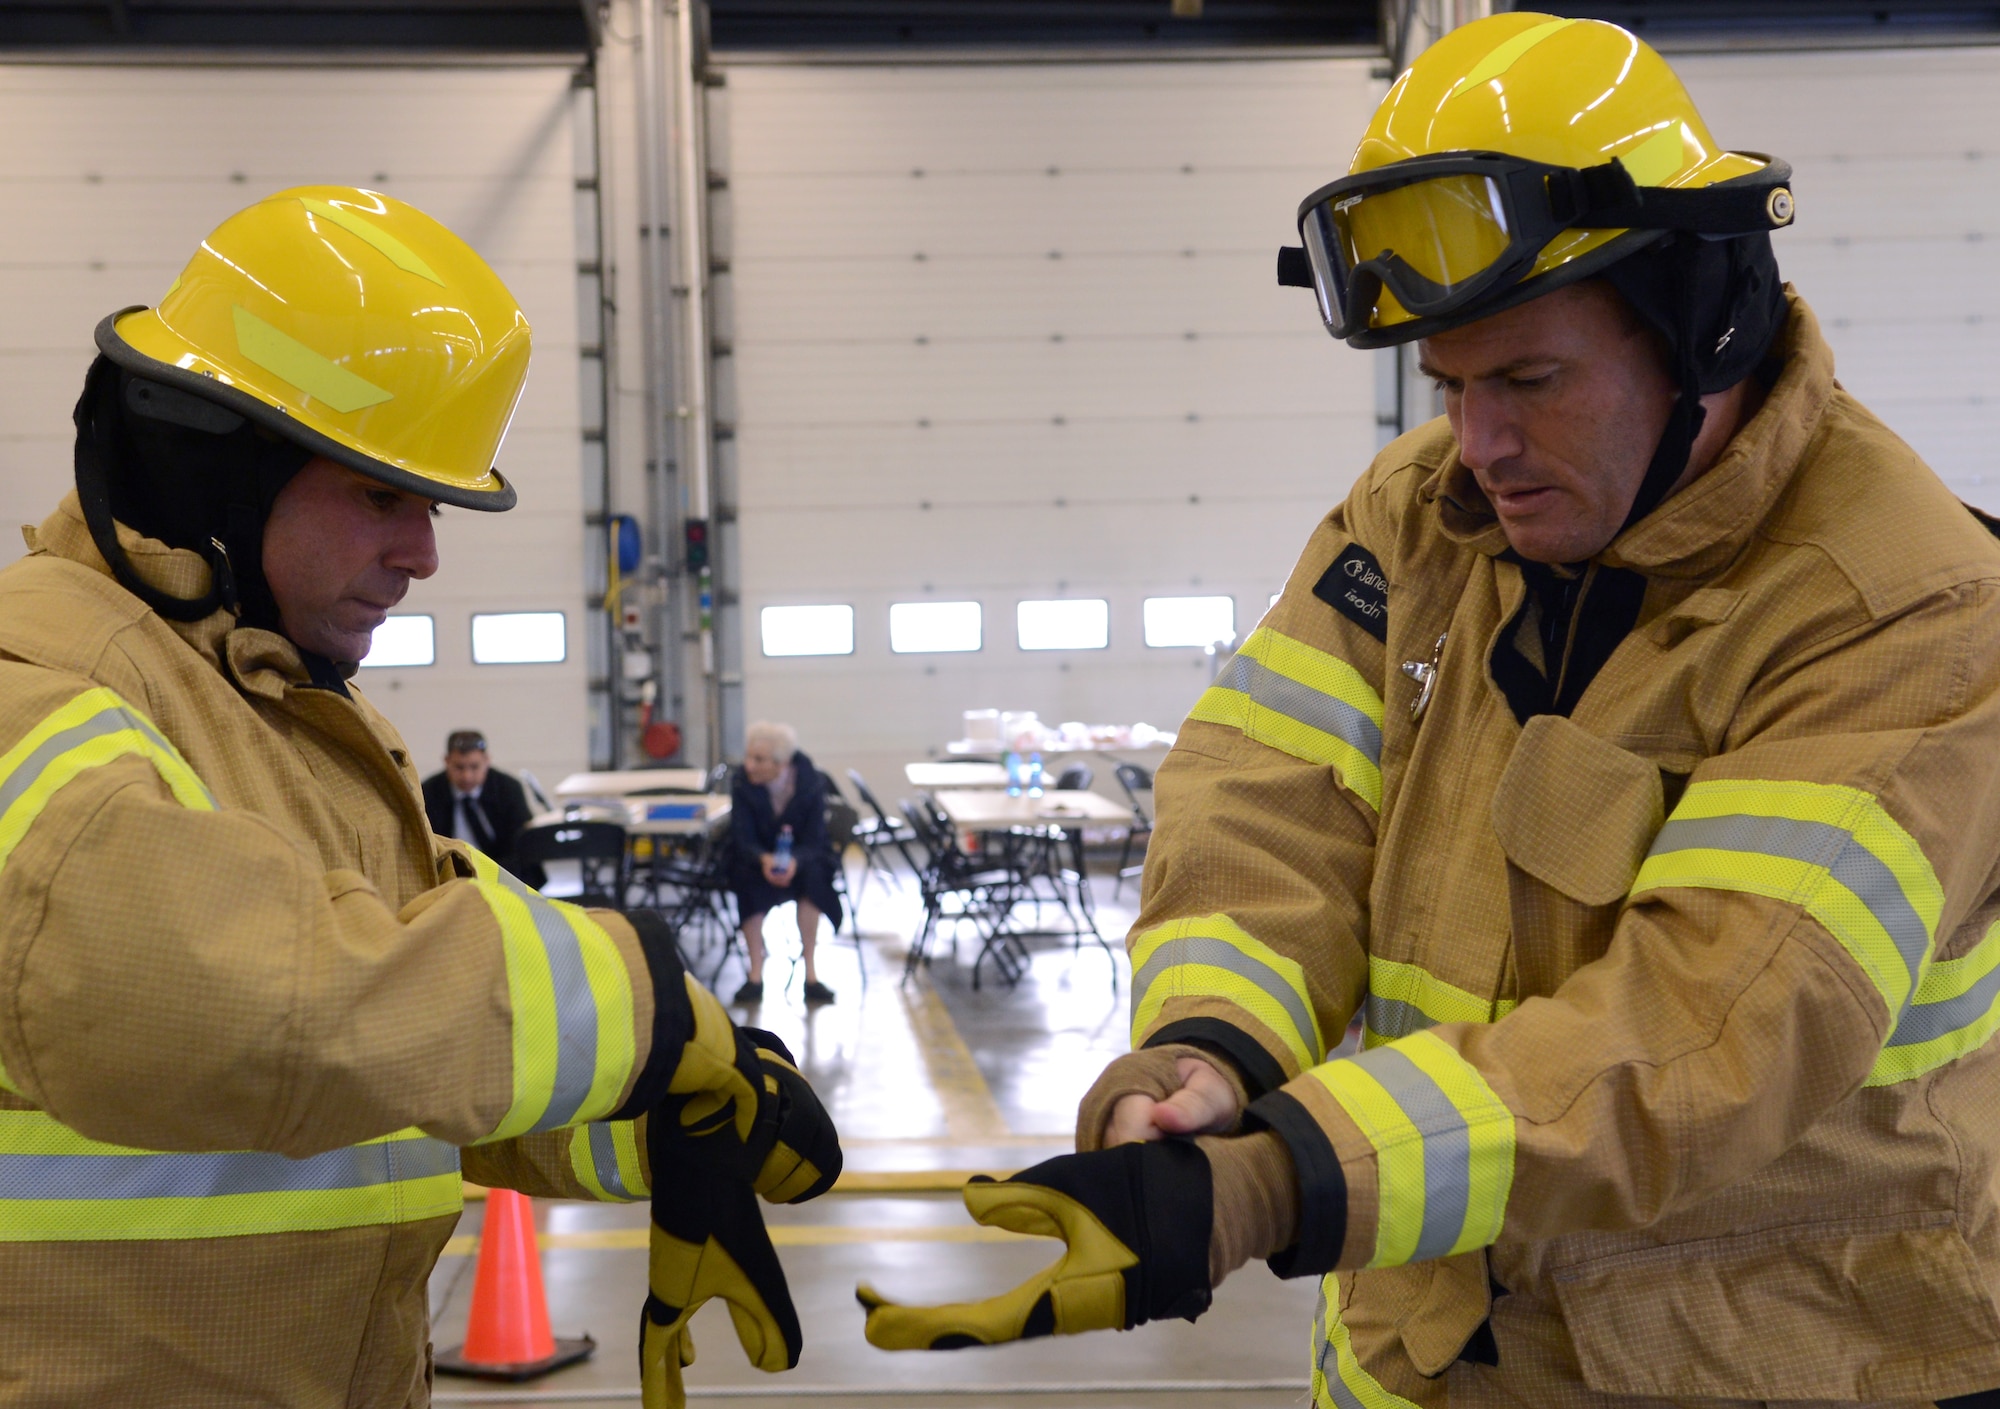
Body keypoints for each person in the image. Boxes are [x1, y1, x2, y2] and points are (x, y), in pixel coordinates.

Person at [856, 17, 2000, 1409]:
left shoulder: (1903, 610)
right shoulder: (1419, 521)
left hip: (1768, 1361)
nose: (1480, 444)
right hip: (1423, 1362)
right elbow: (1267, 802)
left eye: (1529, 380)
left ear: (1709, 322)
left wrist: (1282, 1176)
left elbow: (1707, 1032)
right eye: (1449, 384)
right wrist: (1208, 1054)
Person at [0, 186, 837, 1409]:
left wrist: (660, 1115)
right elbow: (244, 1001)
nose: (424, 553)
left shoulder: (279, 708)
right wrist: (639, 1007)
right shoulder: (41, 679)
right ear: (218, 461)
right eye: (380, 493)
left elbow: (399, 1052)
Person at [728, 720, 843, 1007]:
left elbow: (816, 838)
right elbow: (742, 836)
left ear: (781, 763)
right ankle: (755, 974)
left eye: (759, 759)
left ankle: (811, 975)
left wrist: (794, 862)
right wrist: (764, 859)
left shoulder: (810, 782)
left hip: (802, 858)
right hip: (759, 857)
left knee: (816, 878)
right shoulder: (742, 781)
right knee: (744, 875)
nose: (749, 765)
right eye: (748, 756)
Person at [422, 727, 537, 880]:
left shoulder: (508, 789)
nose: (467, 776)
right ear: (447, 761)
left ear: (487, 761)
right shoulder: (429, 792)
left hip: (503, 874)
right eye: (459, 767)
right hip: (448, 877)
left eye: (474, 767)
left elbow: (520, 845)